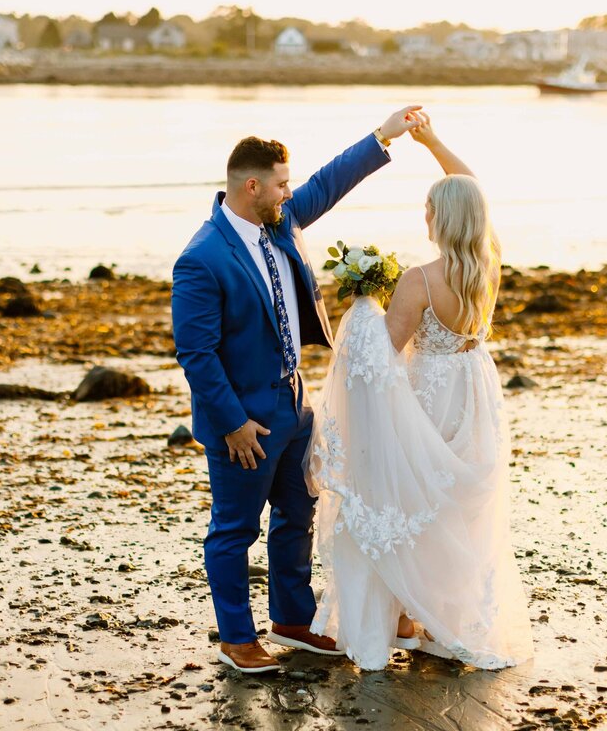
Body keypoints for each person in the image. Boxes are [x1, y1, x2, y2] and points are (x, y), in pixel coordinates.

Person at [171, 107, 424, 674]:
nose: (291, 192)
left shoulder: (280, 223)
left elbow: (328, 183)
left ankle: (291, 621)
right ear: (252, 186)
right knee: (233, 532)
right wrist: (234, 423)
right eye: (282, 183)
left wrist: (383, 135)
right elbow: (195, 354)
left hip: (294, 409)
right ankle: (237, 638)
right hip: (245, 426)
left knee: (296, 516)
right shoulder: (201, 259)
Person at [305, 112, 533, 670]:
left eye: (429, 208)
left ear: (442, 218)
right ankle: (436, 616)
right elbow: (473, 190)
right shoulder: (488, 264)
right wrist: (433, 144)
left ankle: (407, 617)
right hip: (475, 389)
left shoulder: (419, 280)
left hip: (430, 392)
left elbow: (381, 355)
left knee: (411, 498)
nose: (423, 215)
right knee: (457, 506)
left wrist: (361, 308)